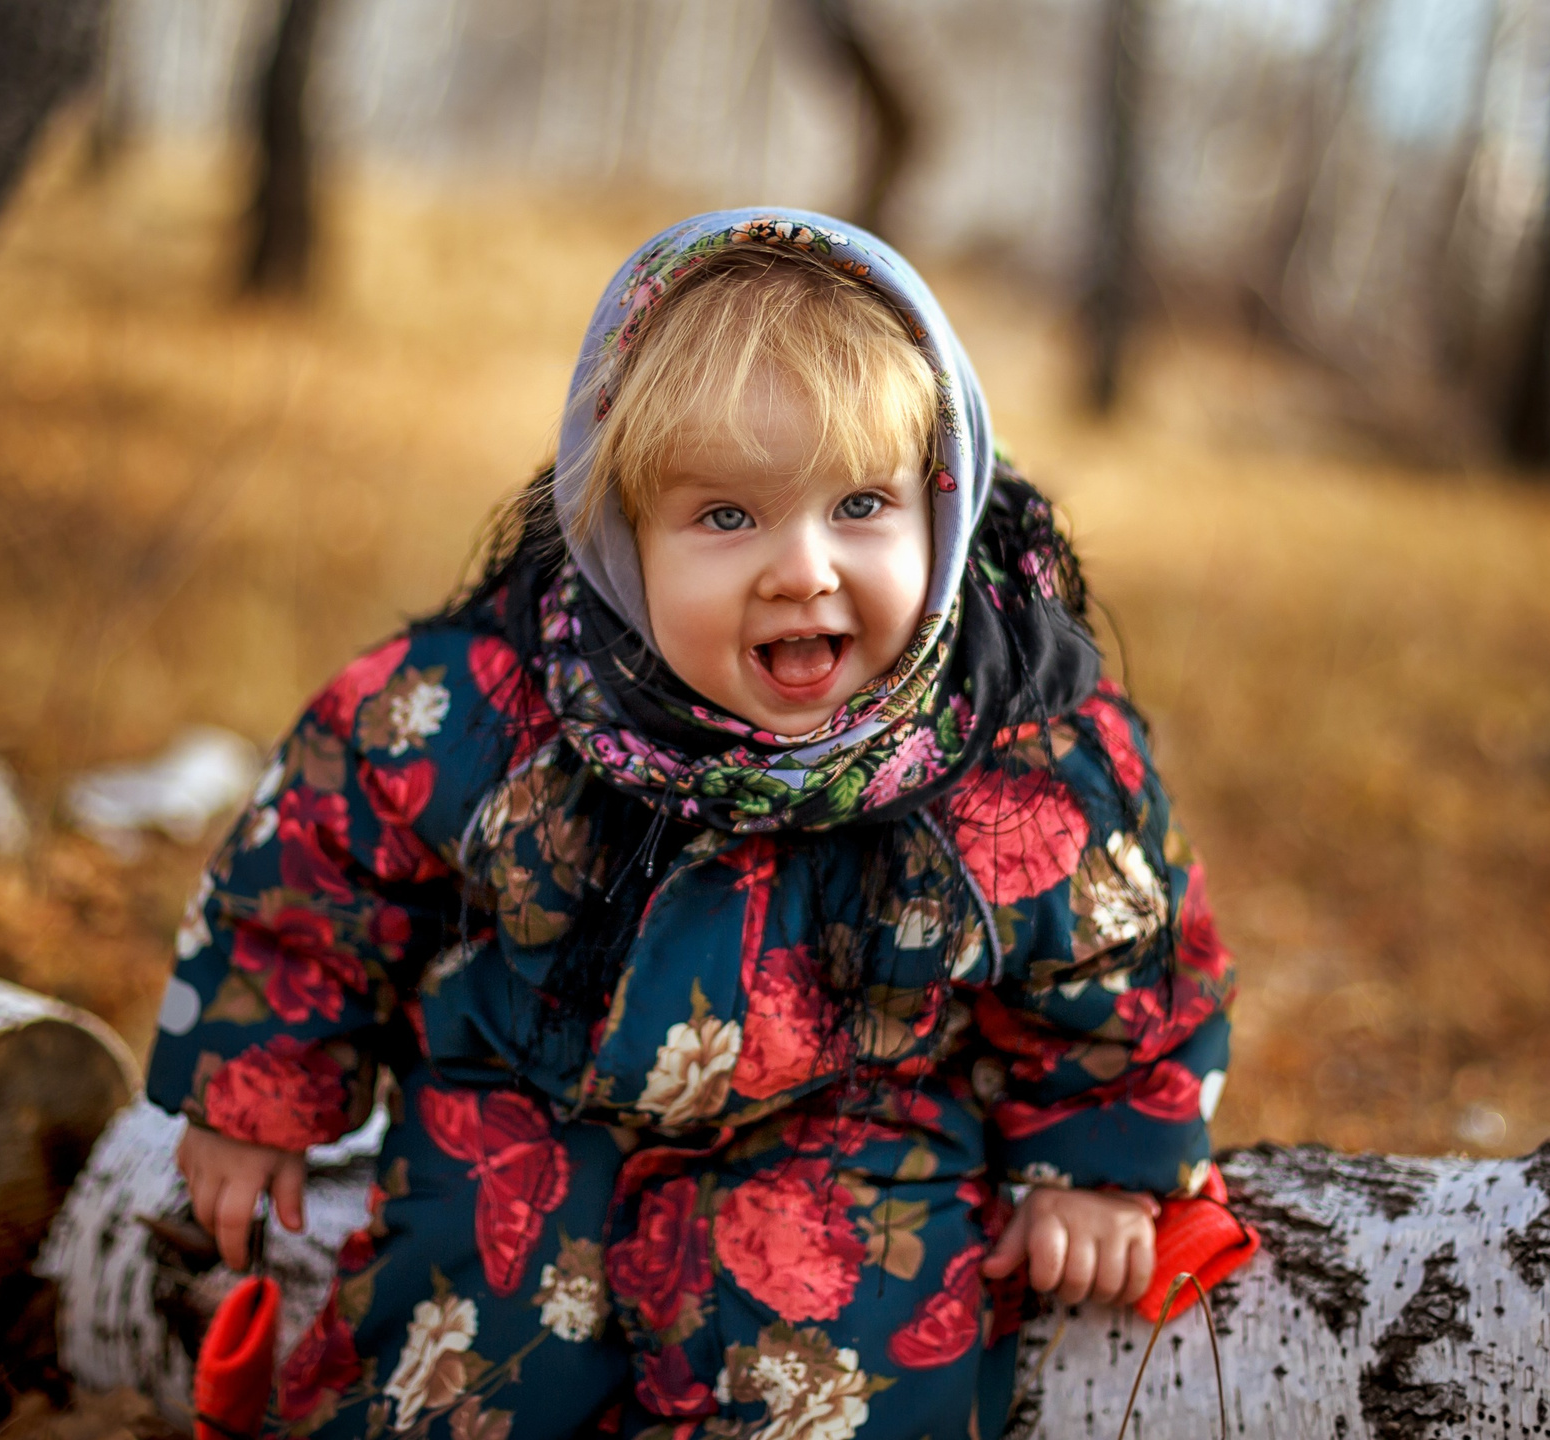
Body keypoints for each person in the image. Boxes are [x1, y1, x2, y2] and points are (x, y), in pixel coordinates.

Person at [145, 209, 1234, 1440]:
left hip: (851, 1152)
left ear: (943, 502)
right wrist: (253, 1090)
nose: (802, 569)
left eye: (860, 504)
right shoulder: (491, 704)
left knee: (837, 1395)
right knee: (446, 1387)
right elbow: (313, 872)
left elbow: (1126, 958)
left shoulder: (1016, 759)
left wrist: (1099, 1164)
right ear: (620, 531)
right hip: (522, 1113)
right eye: (727, 517)